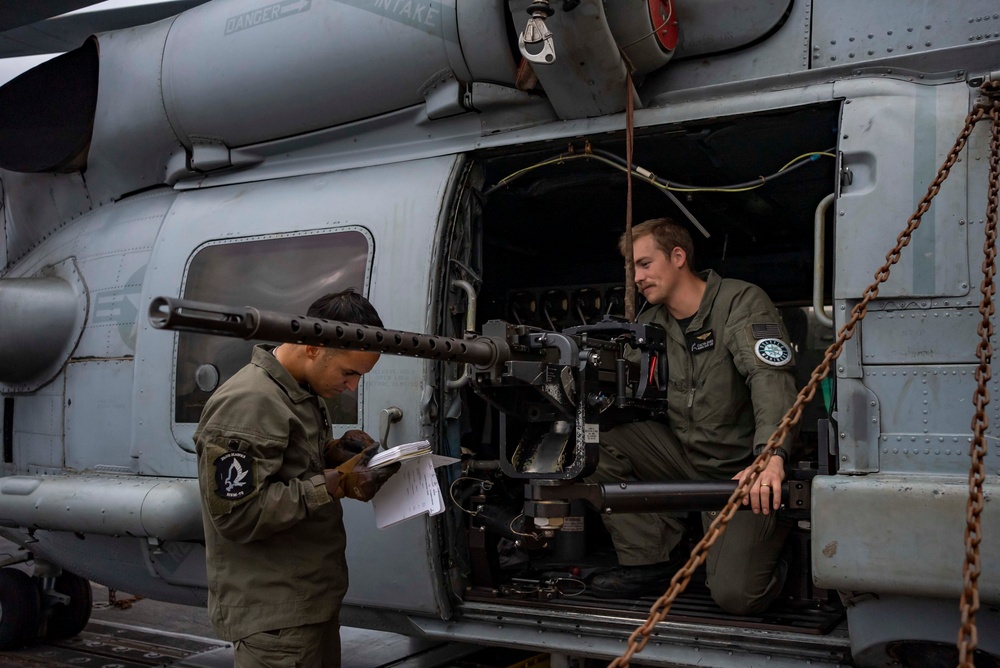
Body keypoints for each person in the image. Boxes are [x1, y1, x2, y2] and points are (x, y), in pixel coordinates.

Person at [587, 218, 797, 615]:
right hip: (683, 460)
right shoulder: (649, 326)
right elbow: (622, 396)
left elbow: (769, 378)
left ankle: (778, 548)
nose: (638, 278)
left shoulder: (740, 301)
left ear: (678, 257)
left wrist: (770, 457)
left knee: (736, 596)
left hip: (741, 473)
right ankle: (653, 558)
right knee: (594, 437)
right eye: (633, 270)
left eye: (645, 264)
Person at [194, 289, 399, 668]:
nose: (352, 386)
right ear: (312, 348)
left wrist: (335, 451)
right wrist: (334, 482)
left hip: (308, 603)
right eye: (349, 373)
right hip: (277, 618)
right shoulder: (249, 402)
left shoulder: (302, 390)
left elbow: (285, 464)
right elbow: (236, 515)